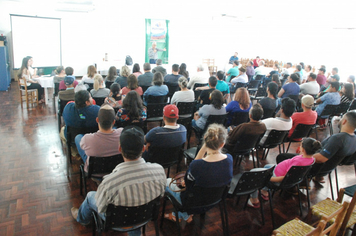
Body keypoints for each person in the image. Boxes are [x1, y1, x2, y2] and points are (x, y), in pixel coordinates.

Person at [71, 126, 166, 236]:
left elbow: (101, 208)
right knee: (137, 207)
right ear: (143, 149)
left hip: (116, 222)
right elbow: (161, 194)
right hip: (144, 217)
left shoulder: (109, 182)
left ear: (120, 148)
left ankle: (82, 218)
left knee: (90, 197)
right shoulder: (159, 171)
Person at [164, 124, 233, 222]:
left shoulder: (198, 165)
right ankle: (185, 215)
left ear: (205, 140)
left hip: (193, 202)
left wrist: (204, 147)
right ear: (222, 144)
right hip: (214, 200)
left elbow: (187, 184)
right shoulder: (229, 159)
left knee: (166, 182)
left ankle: (181, 215)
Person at [248, 138, 321, 208]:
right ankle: (264, 191)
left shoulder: (298, 162)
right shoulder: (312, 159)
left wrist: (269, 178)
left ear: (303, 149)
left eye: (301, 145)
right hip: (282, 173)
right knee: (267, 166)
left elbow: (284, 178)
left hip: (278, 178)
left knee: (254, 174)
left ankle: (254, 200)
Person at [75, 105, 122, 172]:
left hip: (94, 172)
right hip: (116, 171)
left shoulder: (87, 138)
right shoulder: (122, 133)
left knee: (78, 137)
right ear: (114, 122)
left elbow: (82, 147)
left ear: (97, 120)